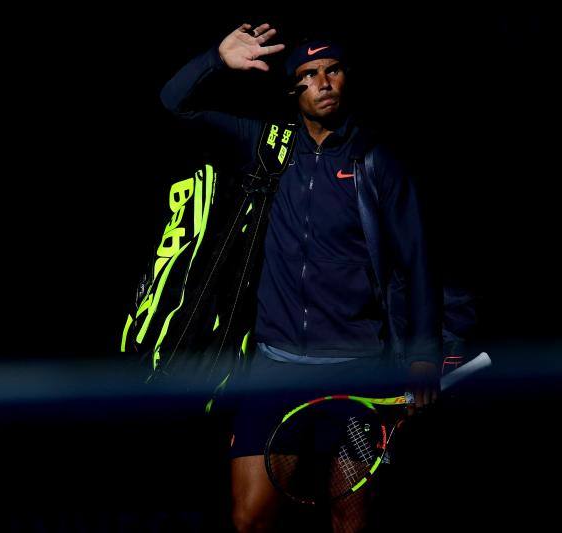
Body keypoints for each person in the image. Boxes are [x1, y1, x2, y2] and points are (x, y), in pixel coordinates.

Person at [161, 22, 443, 532]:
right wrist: (215, 60)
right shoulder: (270, 146)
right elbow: (173, 105)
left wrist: (423, 356)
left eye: (332, 70)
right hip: (275, 366)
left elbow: (418, 262)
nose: (324, 82)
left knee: (350, 521)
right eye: (310, 75)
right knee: (249, 519)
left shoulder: (376, 160)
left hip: (358, 371)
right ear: (294, 89)